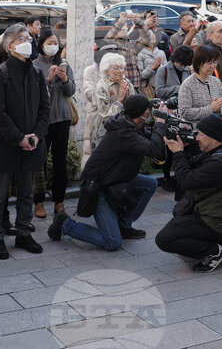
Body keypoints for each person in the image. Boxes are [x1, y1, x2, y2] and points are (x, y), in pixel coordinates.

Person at [49, 95, 164, 250]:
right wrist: (160, 124)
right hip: (97, 186)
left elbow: (154, 143)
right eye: (148, 110)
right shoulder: (124, 133)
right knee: (112, 242)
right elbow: (153, 149)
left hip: (115, 178)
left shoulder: (132, 124)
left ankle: (123, 225)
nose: (150, 112)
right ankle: (64, 224)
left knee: (150, 184)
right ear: (139, 115)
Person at [0, 23, 50, 260]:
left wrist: (37, 135)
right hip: (6, 145)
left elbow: (45, 108)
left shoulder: (36, 73)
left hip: (31, 143)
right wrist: (18, 137)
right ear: (10, 46)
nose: (28, 41)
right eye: (21, 38)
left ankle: (23, 232)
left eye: (28, 37)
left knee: (27, 193)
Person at [155, 114, 222, 273]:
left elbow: (186, 181)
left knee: (164, 239)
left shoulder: (220, 163)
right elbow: (193, 164)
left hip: (215, 223)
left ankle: (214, 251)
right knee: (179, 218)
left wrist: (178, 153)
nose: (196, 137)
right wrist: (185, 148)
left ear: (215, 138)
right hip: (221, 217)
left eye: (201, 134)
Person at [32, 29, 75, 219]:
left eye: (55, 43)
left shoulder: (63, 63)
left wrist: (65, 79)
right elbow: (33, 93)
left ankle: (59, 201)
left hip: (62, 118)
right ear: (41, 44)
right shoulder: (33, 65)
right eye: (49, 42)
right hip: (42, 121)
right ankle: (38, 202)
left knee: (60, 162)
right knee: (39, 162)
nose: (53, 46)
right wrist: (48, 81)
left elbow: (72, 90)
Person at [92, 52, 136, 150]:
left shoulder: (127, 83)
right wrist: (120, 99)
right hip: (106, 131)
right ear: (106, 71)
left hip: (126, 129)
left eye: (122, 67)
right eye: (116, 68)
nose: (121, 71)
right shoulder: (102, 87)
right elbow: (105, 115)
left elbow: (133, 105)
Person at [177, 45, 222, 126]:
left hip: (214, 130)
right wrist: (210, 109)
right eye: (209, 62)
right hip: (196, 132)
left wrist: (219, 110)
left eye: (215, 62)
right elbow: (184, 112)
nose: (213, 66)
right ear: (199, 62)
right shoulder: (188, 84)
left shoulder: (216, 81)